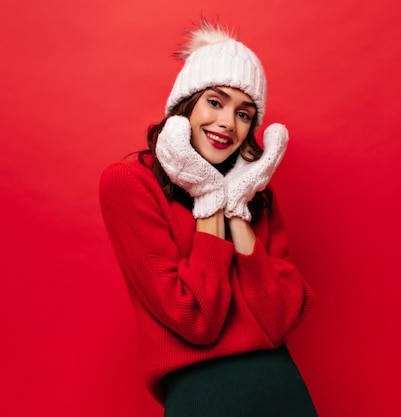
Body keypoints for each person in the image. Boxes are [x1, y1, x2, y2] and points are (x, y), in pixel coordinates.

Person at [99, 21, 317, 416]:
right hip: (203, 394)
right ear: (186, 105)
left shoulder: (255, 195)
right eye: (215, 103)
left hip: (283, 389)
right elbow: (197, 318)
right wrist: (207, 195)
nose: (227, 125)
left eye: (244, 114)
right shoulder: (129, 183)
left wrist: (235, 205)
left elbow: (281, 317)